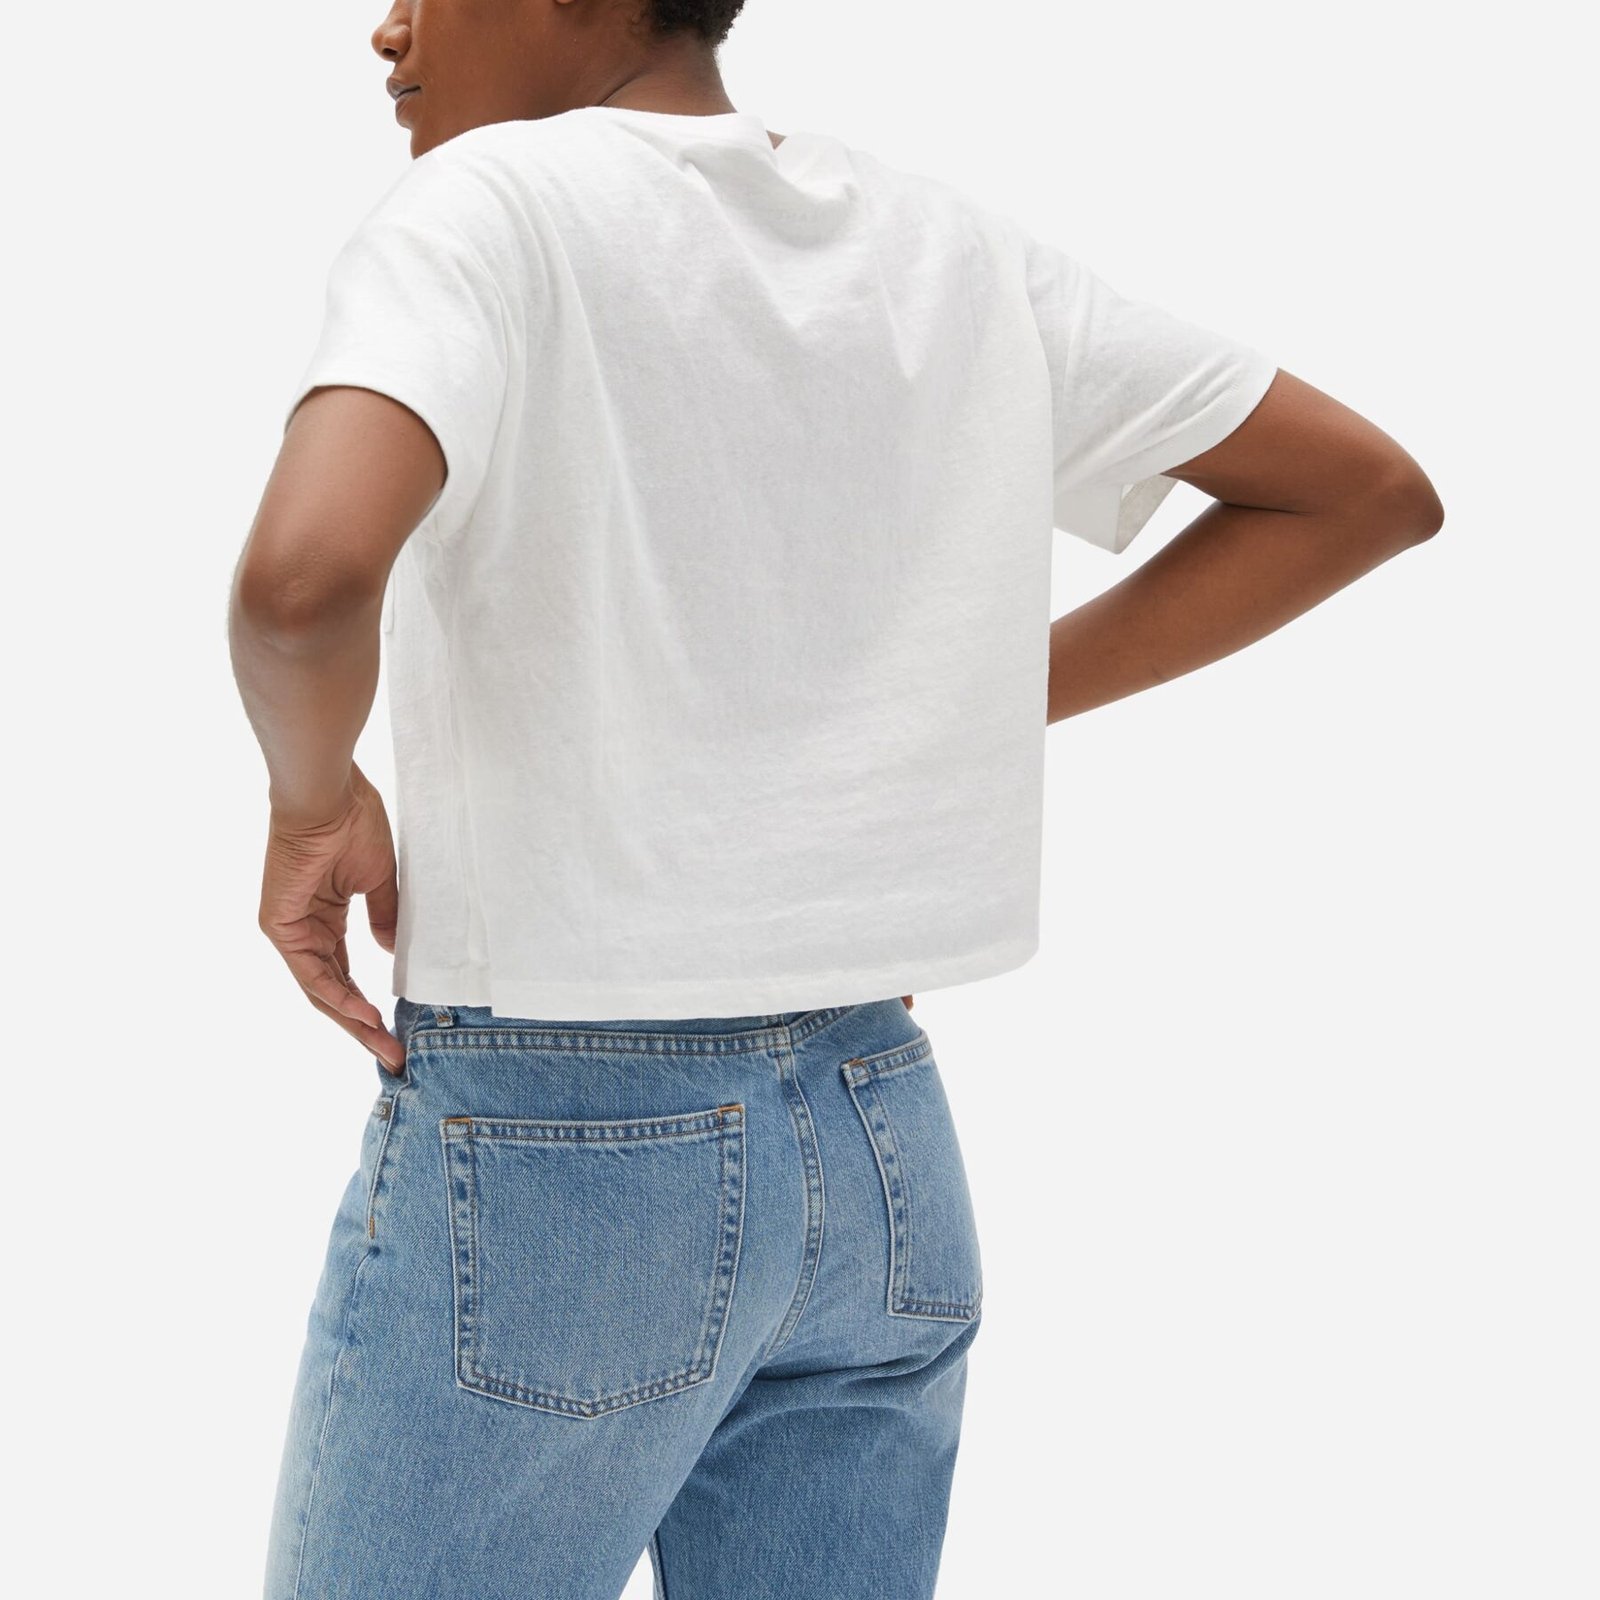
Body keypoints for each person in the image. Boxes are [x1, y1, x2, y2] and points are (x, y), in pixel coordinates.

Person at [227, 1, 1444, 1595]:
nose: (386, 28)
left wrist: (312, 803)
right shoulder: (943, 248)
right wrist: (942, 717)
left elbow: (304, 586)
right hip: (880, 1147)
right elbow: (1362, 492)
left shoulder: (486, 209)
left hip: (558, 1159)